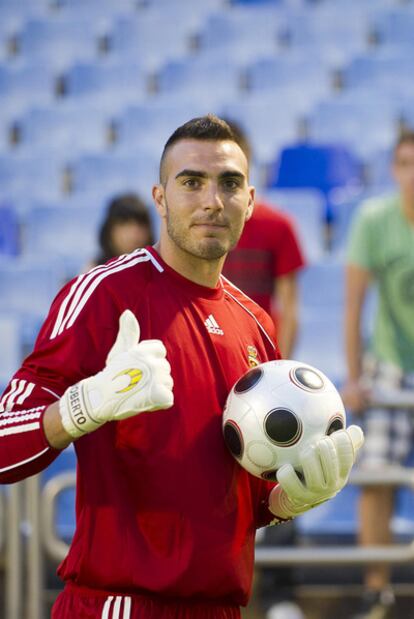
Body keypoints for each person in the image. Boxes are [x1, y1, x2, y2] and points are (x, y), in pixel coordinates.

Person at [0, 114, 363, 619]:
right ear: (160, 198)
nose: (213, 201)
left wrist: (289, 500)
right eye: (192, 182)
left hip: (221, 609)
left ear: (250, 202)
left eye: (229, 183)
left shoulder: (256, 325)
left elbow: (242, 496)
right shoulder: (103, 296)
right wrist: (80, 409)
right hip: (117, 605)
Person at [221, 120, 306, 619]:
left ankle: (280, 591)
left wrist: (279, 369)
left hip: (264, 372)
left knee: (282, 470)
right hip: (214, 363)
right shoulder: (202, 225)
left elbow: (290, 303)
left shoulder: (279, 227)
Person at [342, 130, 414, 619]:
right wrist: (354, 377)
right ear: (393, 168)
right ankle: (377, 593)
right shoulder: (374, 220)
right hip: (390, 362)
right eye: (405, 162)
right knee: (377, 479)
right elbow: (352, 309)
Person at [222, 120, 305, 359]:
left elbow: (289, 309)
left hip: (260, 352)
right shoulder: (194, 227)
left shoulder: (279, 226)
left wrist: (279, 368)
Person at [91, 192, 154, 268]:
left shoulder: (158, 269)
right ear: (110, 231)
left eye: (140, 225)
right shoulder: (95, 271)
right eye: (125, 224)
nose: (134, 233)